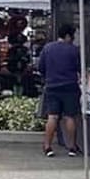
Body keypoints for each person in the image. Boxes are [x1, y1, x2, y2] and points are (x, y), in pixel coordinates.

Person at [38, 23, 82, 157]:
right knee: (70, 117)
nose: (74, 38)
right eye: (73, 35)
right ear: (68, 35)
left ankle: (47, 146)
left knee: (52, 117)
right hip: (70, 87)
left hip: (52, 86)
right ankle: (72, 147)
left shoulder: (47, 48)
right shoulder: (74, 50)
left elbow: (41, 68)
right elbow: (79, 68)